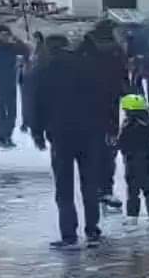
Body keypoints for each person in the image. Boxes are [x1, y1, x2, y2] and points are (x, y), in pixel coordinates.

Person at [32, 34, 105, 249]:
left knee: (64, 187)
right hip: (89, 133)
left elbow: (37, 103)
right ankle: (93, 230)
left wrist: (37, 132)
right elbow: (101, 97)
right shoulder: (88, 66)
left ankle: (69, 235)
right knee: (90, 183)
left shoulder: (44, 70)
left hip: (61, 135)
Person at [81, 20, 130, 210]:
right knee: (108, 148)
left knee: (92, 148)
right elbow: (123, 79)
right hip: (109, 106)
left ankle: (94, 188)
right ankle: (105, 188)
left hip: (87, 106)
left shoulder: (85, 48)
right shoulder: (115, 51)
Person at [0, 24, 29, 149]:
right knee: (3, 112)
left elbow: (26, 52)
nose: (5, 37)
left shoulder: (11, 47)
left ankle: (8, 136)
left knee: (12, 113)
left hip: (11, 84)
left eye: (7, 34)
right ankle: (2, 138)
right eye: (3, 34)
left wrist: (17, 40)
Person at [117, 93, 149, 224]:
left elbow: (121, 143)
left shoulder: (128, 126)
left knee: (133, 191)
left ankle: (132, 217)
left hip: (133, 161)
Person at [18, 31, 45, 135]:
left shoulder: (41, 50)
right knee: (26, 102)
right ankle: (26, 122)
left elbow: (40, 63)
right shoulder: (29, 49)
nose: (35, 40)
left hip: (34, 78)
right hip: (26, 78)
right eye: (34, 38)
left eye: (36, 38)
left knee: (33, 102)